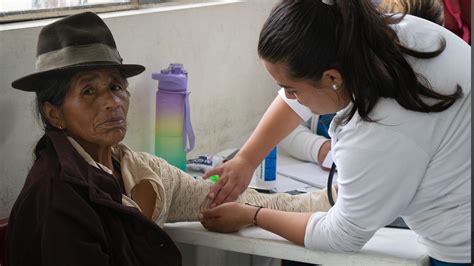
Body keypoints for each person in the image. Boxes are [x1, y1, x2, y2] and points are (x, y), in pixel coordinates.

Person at [5, 11, 337, 266]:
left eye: (116, 87)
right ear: (54, 113)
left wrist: (330, 202)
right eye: (88, 90)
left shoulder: (134, 169)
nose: (111, 101)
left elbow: (219, 198)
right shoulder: (58, 196)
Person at [201, 0, 471, 265]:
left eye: (291, 88)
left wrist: (253, 215)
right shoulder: (388, 35)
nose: (288, 96)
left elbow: (342, 235)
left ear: (332, 79)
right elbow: (295, 97)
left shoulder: (382, 125)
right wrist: (246, 159)